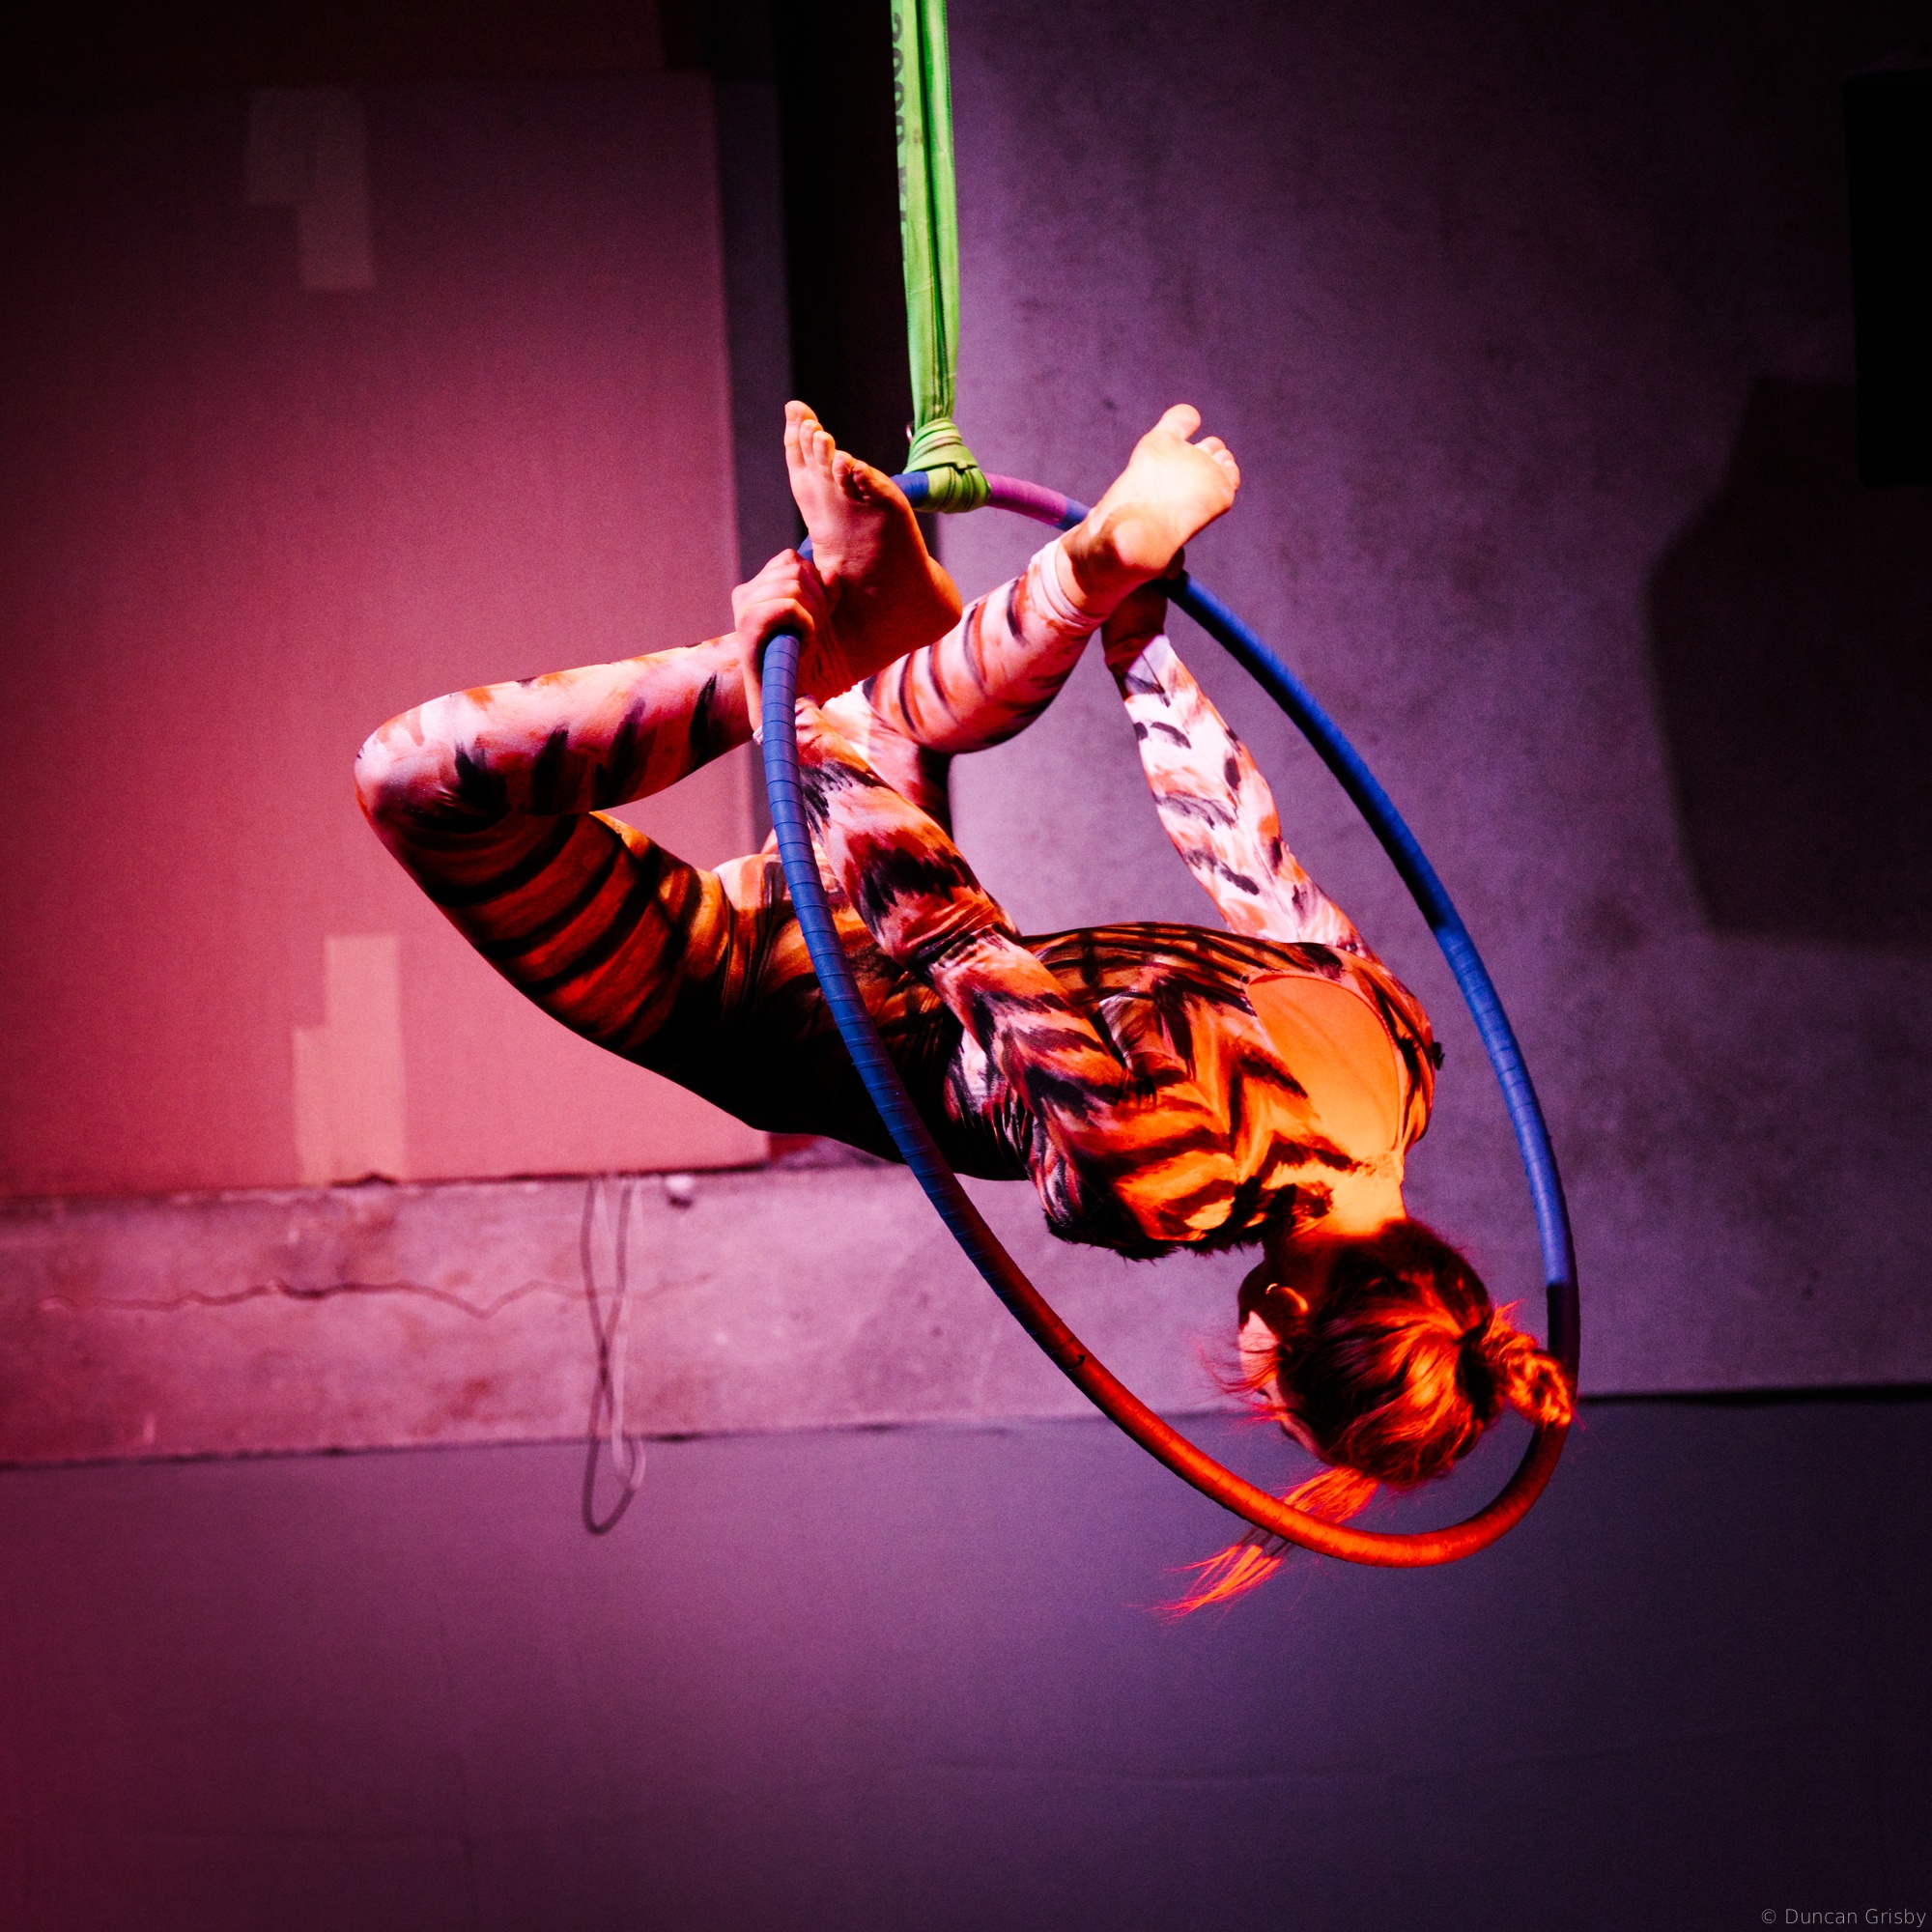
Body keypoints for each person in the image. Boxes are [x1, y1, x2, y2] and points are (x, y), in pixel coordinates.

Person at [355, 403, 1572, 1608]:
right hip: (742, 992)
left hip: (855, 914)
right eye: (1270, 1392)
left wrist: (1137, 645)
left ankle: (1072, 574)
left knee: (895, 710)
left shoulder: (1398, 1058)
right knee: (413, 781)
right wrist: (772, 697)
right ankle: (848, 654)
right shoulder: (1163, 1177)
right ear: (1290, 1311)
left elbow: (1239, 845)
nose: (1243, 1377)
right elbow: (945, 928)